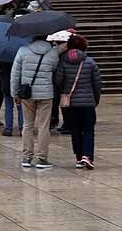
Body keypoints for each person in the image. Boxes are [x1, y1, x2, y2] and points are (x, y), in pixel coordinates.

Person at [11, 35, 59, 169]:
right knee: (44, 126)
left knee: (28, 125)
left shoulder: (22, 50)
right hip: (46, 93)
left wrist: (14, 93)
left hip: (27, 93)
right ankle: (42, 158)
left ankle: (27, 157)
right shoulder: (53, 52)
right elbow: (54, 69)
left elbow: (15, 74)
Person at [54, 34, 102, 169]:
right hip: (87, 102)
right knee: (88, 129)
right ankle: (87, 156)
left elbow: (58, 81)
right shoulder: (90, 62)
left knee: (75, 130)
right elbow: (97, 84)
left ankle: (79, 157)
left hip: (70, 103)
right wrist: (95, 99)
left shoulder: (62, 61)